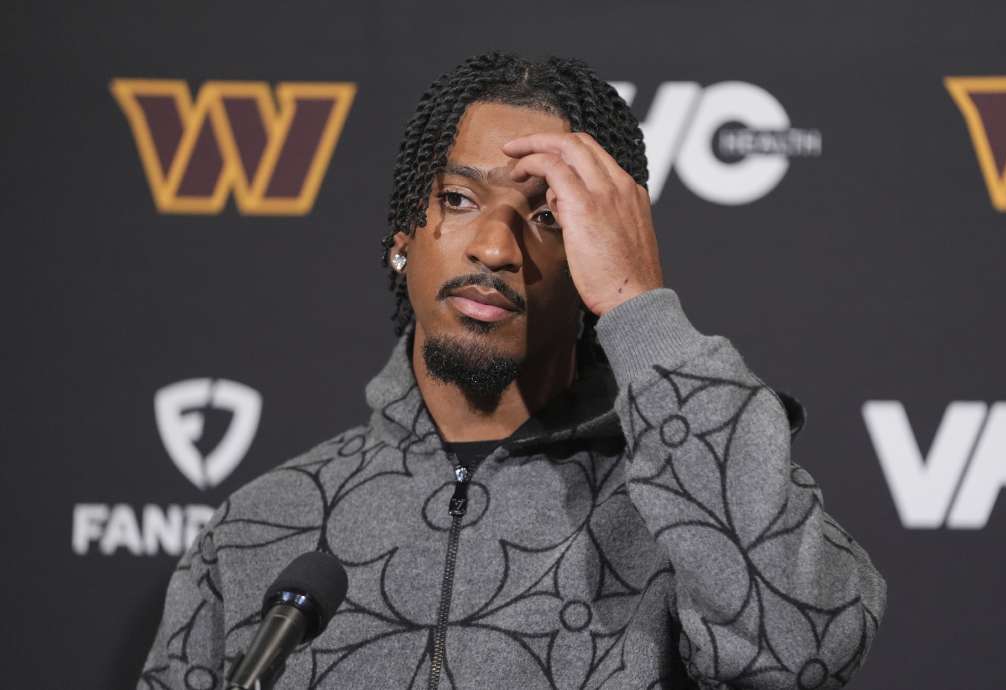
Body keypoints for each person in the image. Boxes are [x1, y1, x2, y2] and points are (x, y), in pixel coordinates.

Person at [140, 51, 886, 690]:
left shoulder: (680, 506)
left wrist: (639, 304)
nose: (495, 248)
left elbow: (806, 649)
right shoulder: (261, 530)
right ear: (405, 239)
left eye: (548, 215)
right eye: (460, 200)